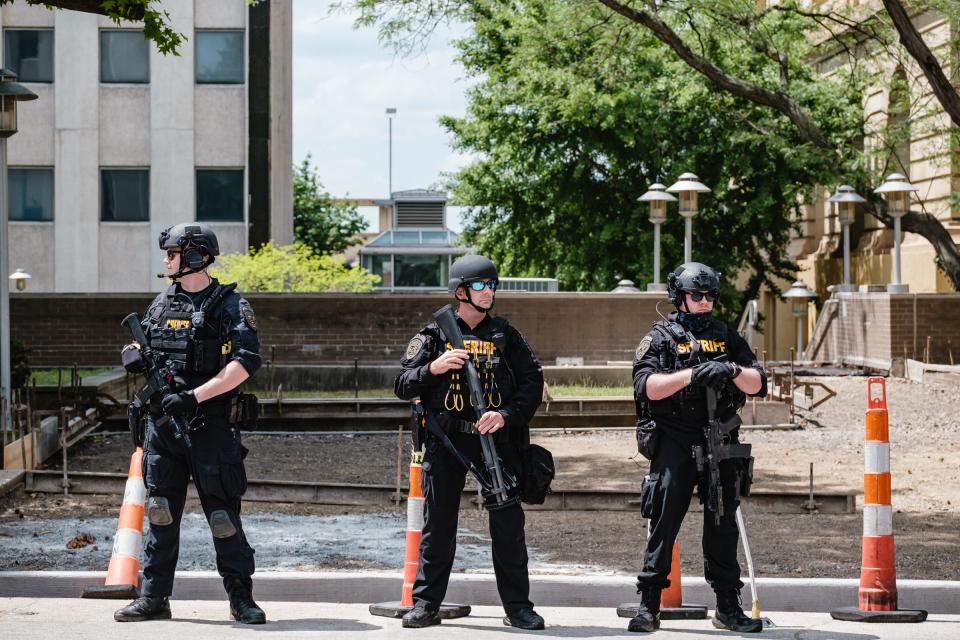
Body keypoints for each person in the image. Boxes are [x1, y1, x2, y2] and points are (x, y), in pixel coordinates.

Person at [114, 223, 265, 624]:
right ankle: (153, 598)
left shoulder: (230, 305)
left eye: (173, 253)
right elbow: (140, 341)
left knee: (222, 517)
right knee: (160, 512)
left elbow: (245, 364)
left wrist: (194, 397)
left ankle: (241, 600)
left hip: (210, 427)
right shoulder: (162, 303)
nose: (166, 260)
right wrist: (131, 353)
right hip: (163, 428)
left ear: (196, 256)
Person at [395, 255, 546, 630]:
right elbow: (401, 383)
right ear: (461, 291)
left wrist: (506, 415)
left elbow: (532, 384)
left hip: (495, 440)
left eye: (493, 284)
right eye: (481, 285)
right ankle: (426, 604)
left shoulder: (506, 336)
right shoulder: (433, 336)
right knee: (439, 526)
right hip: (447, 442)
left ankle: (518, 608)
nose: (489, 291)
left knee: (508, 526)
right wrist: (433, 368)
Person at [629, 262, 766, 634]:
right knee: (663, 523)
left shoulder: (726, 335)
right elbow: (647, 386)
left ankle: (727, 607)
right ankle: (648, 606)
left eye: (709, 296)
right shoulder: (661, 336)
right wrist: (691, 374)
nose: (704, 302)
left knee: (723, 527)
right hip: (675, 441)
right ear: (680, 297)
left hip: (719, 439)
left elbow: (758, 382)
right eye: (696, 295)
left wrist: (733, 371)